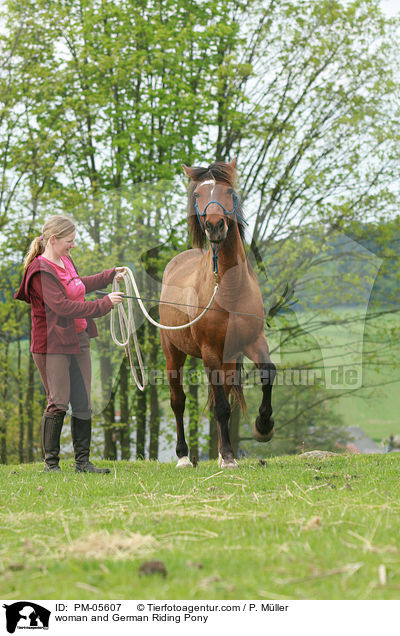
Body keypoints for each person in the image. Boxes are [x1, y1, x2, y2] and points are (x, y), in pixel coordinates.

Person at [15, 215, 125, 474]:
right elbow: (62, 306)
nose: (73, 245)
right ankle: (51, 465)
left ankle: (83, 463)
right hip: (52, 344)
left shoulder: (65, 261)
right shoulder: (40, 271)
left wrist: (110, 275)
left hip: (79, 339)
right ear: (53, 240)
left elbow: (79, 285)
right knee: (59, 402)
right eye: (70, 240)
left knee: (83, 401)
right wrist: (105, 304)